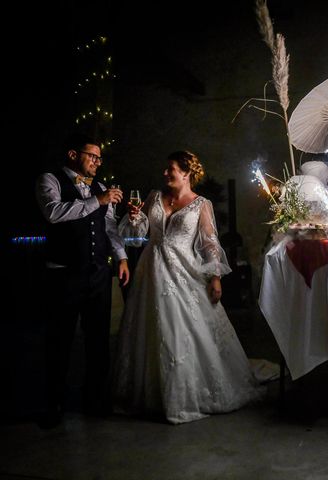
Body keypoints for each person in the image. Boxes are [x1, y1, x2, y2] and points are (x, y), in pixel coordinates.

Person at [113, 150, 264, 424]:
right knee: (149, 329)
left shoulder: (201, 204)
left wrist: (215, 276)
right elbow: (137, 235)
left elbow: (209, 243)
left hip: (185, 272)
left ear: (186, 172)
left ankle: (183, 394)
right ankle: (152, 394)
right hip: (152, 271)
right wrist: (135, 219)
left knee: (183, 330)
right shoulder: (153, 197)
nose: (165, 173)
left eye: (170, 168)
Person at [35, 133, 130, 429]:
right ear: (73, 155)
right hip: (63, 274)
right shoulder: (49, 180)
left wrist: (122, 257)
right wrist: (96, 200)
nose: (97, 162)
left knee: (99, 341)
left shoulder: (101, 187)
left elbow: (110, 227)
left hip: (98, 274)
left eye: (100, 158)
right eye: (92, 156)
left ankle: (96, 401)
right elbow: (53, 213)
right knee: (59, 341)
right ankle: (54, 405)